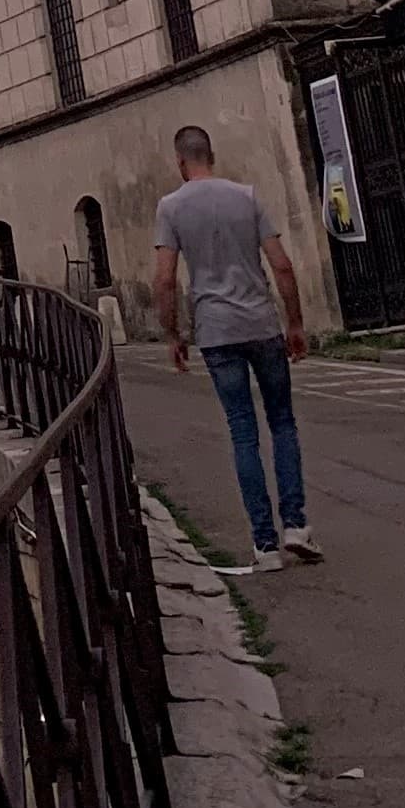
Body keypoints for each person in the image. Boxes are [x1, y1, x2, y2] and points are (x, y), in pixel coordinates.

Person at [152, 122, 316, 574]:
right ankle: (297, 525)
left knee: (243, 431)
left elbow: (165, 279)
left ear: (181, 162)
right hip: (262, 325)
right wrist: (295, 322)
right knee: (282, 422)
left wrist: (173, 333)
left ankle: (264, 546)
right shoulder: (247, 196)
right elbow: (280, 266)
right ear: (212, 156)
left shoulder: (171, 207)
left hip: (216, 332)